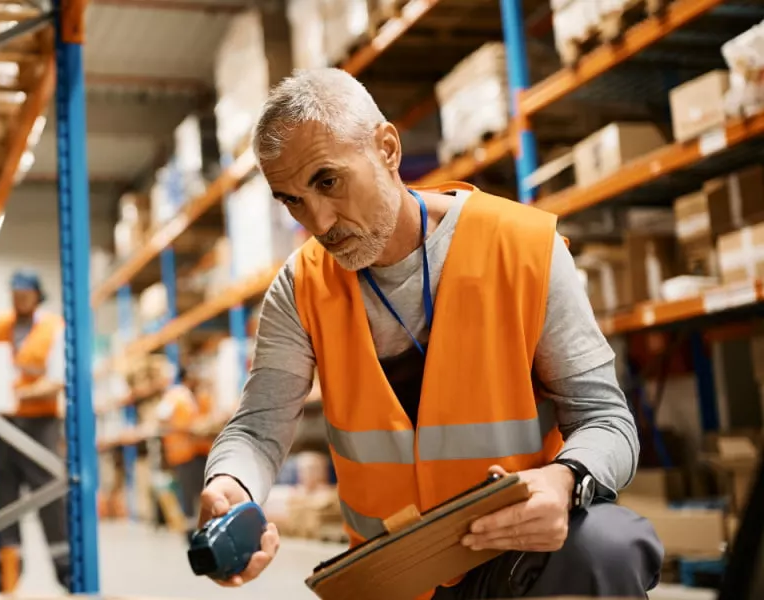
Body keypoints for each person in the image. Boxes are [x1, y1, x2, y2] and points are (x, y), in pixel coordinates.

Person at [199, 68, 663, 599]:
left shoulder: (523, 248)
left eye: (328, 181)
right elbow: (258, 429)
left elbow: (606, 419)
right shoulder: (301, 289)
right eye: (293, 201)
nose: (320, 222)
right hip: (392, 575)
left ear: (387, 148)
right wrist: (228, 485)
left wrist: (564, 481)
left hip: (514, 552)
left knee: (608, 544)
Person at [0, 269, 71, 592]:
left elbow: (57, 380)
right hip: (3, 423)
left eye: (25, 292)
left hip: (40, 425)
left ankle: (66, 569)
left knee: (49, 495)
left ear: (37, 294)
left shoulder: (53, 328)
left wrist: (16, 393)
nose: (18, 297)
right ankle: (6, 573)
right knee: (3, 497)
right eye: (14, 292)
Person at [155, 367, 210, 535]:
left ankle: (198, 526)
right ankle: (191, 530)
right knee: (188, 493)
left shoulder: (189, 396)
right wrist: (181, 428)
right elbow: (161, 417)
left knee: (197, 491)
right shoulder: (176, 395)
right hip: (182, 452)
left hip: (193, 451)